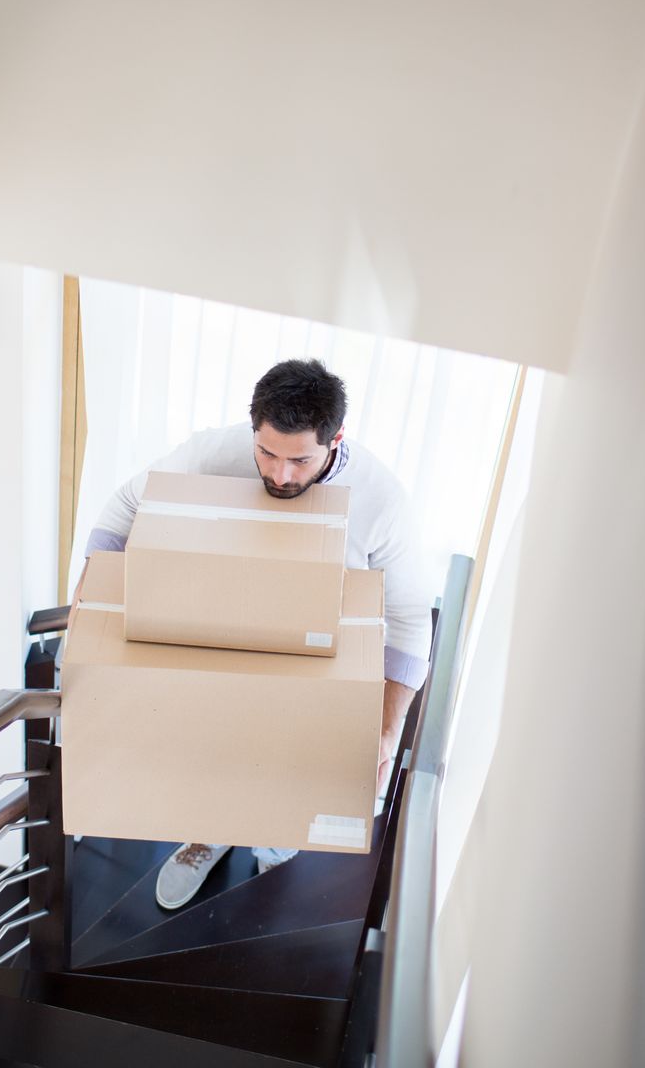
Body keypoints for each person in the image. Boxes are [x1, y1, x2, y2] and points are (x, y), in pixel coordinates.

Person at [82, 358, 430, 910]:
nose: (280, 475)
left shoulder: (383, 501)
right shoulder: (210, 454)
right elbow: (125, 507)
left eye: (300, 460)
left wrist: (387, 733)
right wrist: (99, 609)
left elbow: (410, 620)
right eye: (266, 452)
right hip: (222, 636)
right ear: (253, 428)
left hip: (318, 662)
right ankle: (208, 834)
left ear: (336, 440)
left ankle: (275, 847)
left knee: (287, 786)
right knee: (212, 761)